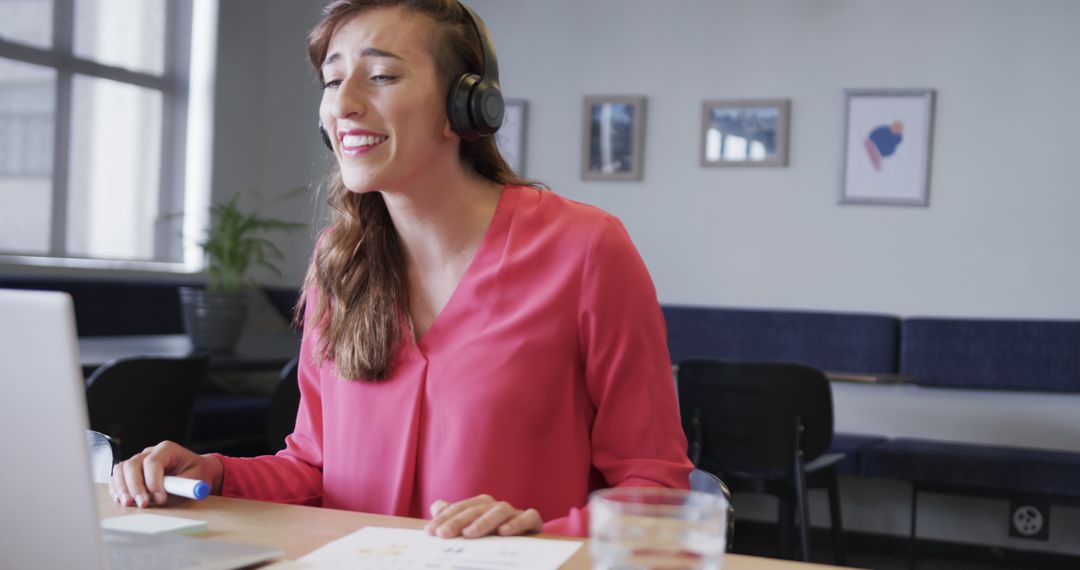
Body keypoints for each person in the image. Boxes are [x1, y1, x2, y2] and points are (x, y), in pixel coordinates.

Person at [110, 0, 692, 539]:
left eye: (382, 76)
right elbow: (314, 468)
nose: (344, 103)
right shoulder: (339, 261)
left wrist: (540, 536)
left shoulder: (586, 248)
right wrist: (211, 472)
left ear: (464, 106)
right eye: (333, 80)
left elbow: (656, 490)